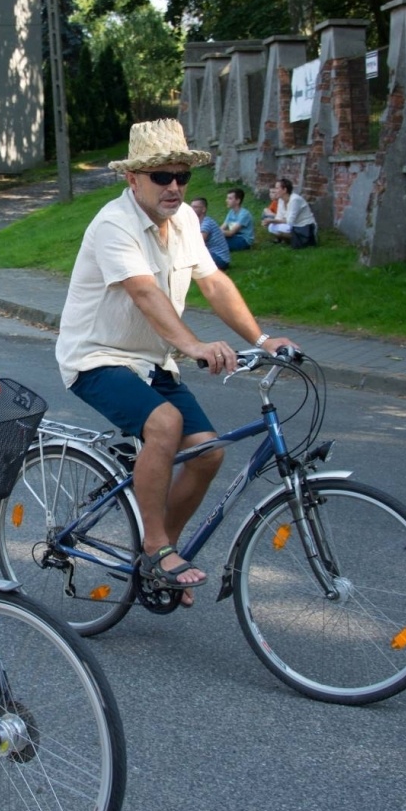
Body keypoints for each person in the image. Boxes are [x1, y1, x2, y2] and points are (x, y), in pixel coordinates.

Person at [56, 119, 297, 605]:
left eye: (181, 176)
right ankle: (156, 547)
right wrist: (194, 346)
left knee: (207, 453)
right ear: (133, 179)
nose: (173, 186)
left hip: (151, 361)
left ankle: (165, 550)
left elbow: (213, 283)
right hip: (96, 356)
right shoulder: (113, 224)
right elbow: (145, 292)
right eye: (161, 176)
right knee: (164, 425)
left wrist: (263, 338)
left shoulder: (185, 219)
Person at [263, 177, 317, 248]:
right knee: (271, 227)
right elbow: (279, 216)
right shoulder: (281, 200)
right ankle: (287, 239)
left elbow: (290, 221)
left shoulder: (295, 200)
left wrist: (272, 220)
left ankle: (296, 239)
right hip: (292, 225)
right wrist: (271, 221)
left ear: (285, 190)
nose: (275, 191)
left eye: (277, 188)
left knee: (284, 227)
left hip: (304, 226)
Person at [190, 196, 231, 270]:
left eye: (195, 207)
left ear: (203, 209)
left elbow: (199, 242)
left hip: (220, 258)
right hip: (212, 255)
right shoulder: (196, 223)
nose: (191, 209)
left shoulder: (206, 223)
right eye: (191, 207)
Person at [221, 188, 254, 252]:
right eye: (227, 198)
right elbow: (223, 227)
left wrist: (216, 233)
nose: (226, 200)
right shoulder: (231, 212)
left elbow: (231, 233)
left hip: (243, 240)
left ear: (237, 201)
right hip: (234, 237)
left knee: (217, 244)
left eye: (230, 198)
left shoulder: (244, 214)